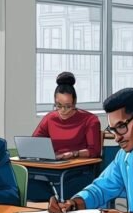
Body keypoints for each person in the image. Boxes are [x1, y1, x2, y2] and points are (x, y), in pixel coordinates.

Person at [29, 72, 102, 201]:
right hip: (53, 167)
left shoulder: (90, 120)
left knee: (67, 186)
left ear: (74, 102)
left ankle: (59, 205)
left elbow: (94, 151)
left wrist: (72, 154)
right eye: (59, 106)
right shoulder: (50, 118)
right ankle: (51, 204)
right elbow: (35, 142)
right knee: (28, 182)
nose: (63, 110)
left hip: (78, 170)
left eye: (68, 106)